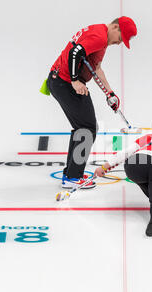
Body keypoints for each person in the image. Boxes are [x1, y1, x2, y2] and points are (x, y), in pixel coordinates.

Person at [47, 17, 137, 189]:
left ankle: (71, 173)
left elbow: (96, 69)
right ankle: (73, 177)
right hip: (64, 82)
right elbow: (75, 53)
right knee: (87, 128)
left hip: (61, 81)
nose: (119, 43)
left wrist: (109, 93)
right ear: (115, 27)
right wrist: (74, 80)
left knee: (83, 128)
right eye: (121, 38)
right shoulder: (100, 37)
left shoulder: (101, 37)